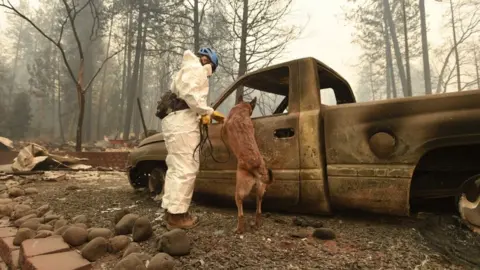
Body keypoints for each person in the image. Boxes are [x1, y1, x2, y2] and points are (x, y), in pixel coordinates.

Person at [159, 47, 224, 230]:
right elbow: (191, 96)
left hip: (175, 120)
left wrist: (201, 114)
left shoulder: (186, 68)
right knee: (186, 167)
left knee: (176, 167)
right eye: (211, 69)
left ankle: (171, 210)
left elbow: (187, 95)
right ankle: (178, 216)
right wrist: (208, 111)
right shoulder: (196, 69)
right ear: (208, 62)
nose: (209, 74)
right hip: (182, 122)